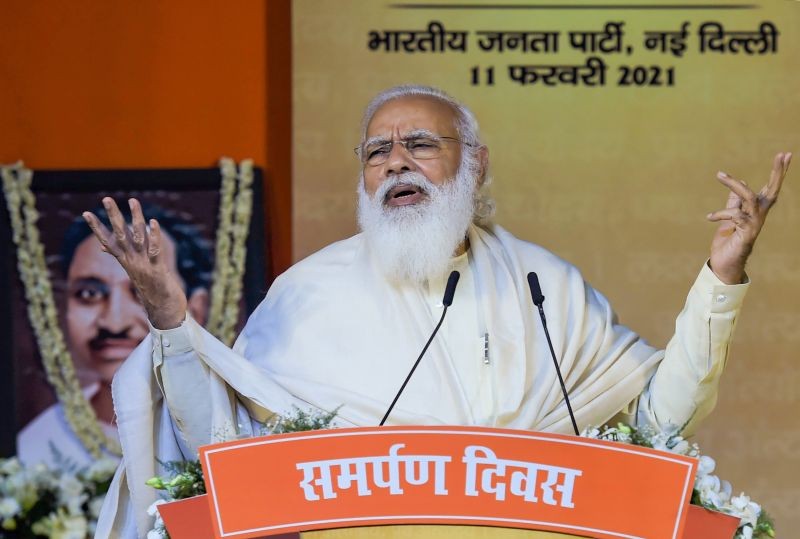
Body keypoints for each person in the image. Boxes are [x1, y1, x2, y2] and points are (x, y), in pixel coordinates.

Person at [86, 85, 791, 537]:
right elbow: (225, 450)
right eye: (377, 151)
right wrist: (172, 320)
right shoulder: (306, 293)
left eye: (421, 144)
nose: (397, 162)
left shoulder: (545, 284)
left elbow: (657, 428)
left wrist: (720, 280)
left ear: (477, 164)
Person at [16, 204, 213, 469]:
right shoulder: (39, 443)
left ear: (197, 309)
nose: (114, 322)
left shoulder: (226, 424)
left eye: (143, 291)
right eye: (89, 294)